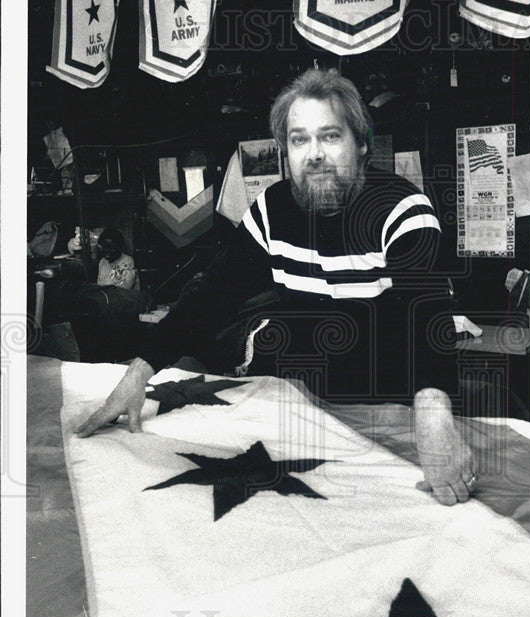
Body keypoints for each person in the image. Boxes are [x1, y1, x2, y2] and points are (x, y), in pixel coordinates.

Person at [78, 69, 476, 505]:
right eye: (299, 140)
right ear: (285, 151)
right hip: (308, 413)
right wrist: (138, 374)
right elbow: (209, 299)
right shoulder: (271, 208)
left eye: (330, 136)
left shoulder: (403, 209)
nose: (315, 154)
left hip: (395, 415)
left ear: (361, 146)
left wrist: (435, 421)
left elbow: (427, 316)